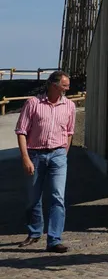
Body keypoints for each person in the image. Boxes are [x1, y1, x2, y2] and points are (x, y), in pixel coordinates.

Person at [15, 70, 76, 253]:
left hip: (58, 154)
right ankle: (34, 232)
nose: (68, 88)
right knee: (33, 198)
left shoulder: (70, 106)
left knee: (58, 197)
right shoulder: (33, 103)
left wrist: (64, 153)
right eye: (64, 85)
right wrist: (25, 157)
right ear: (53, 85)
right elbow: (21, 131)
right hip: (35, 154)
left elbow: (69, 132)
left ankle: (54, 239)